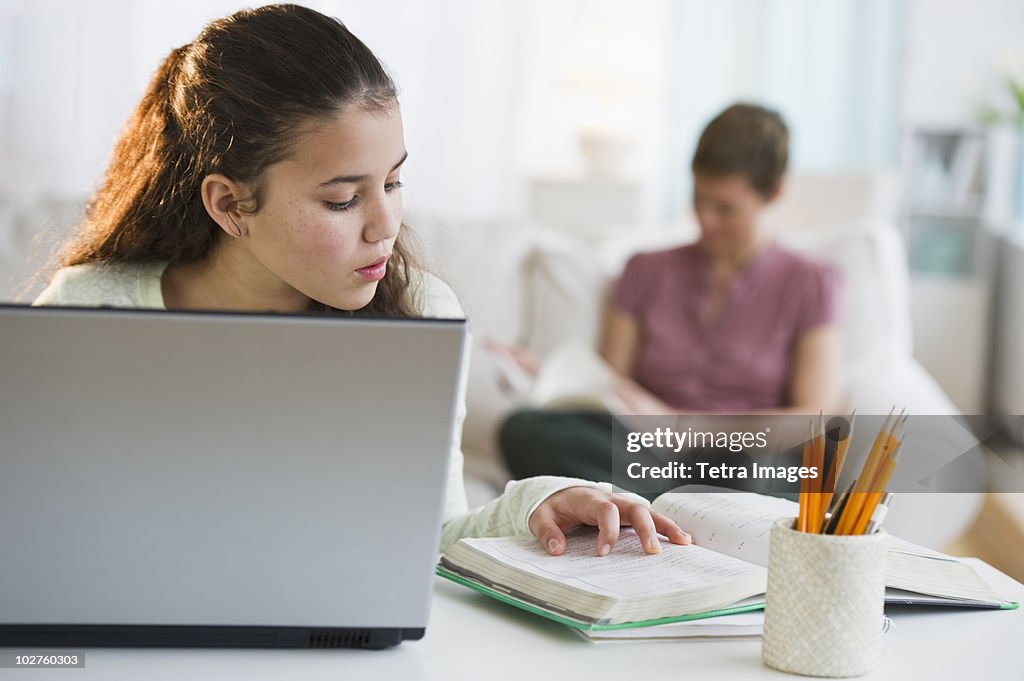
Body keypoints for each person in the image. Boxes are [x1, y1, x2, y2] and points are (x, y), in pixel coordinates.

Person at [33, 4, 690, 557]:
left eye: (394, 181)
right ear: (231, 204)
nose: (385, 225)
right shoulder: (90, 307)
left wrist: (534, 499)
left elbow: (432, 541)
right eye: (343, 199)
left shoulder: (418, 314)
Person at [499, 103, 844, 494]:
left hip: (746, 455)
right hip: (650, 453)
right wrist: (556, 376)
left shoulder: (811, 282)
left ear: (775, 192)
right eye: (699, 200)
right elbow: (610, 385)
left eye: (726, 209)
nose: (707, 221)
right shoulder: (645, 270)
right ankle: (681, 511)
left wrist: (682, 426)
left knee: (769, 470)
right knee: (524, 430)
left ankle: (653, 506)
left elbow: (815, 416)